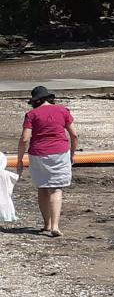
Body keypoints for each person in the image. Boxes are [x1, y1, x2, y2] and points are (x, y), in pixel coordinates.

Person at [16, 86, 77, 237]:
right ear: (49, 98)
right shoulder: (63, 111)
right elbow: (74, 135)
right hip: (60, 152)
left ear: (35, 101)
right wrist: (72, 154)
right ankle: (55, 226)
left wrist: (19, 160)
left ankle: (47, 225)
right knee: (56, 189)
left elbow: (24, 139)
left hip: (38, 154)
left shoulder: (31, 114)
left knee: (43, 188)